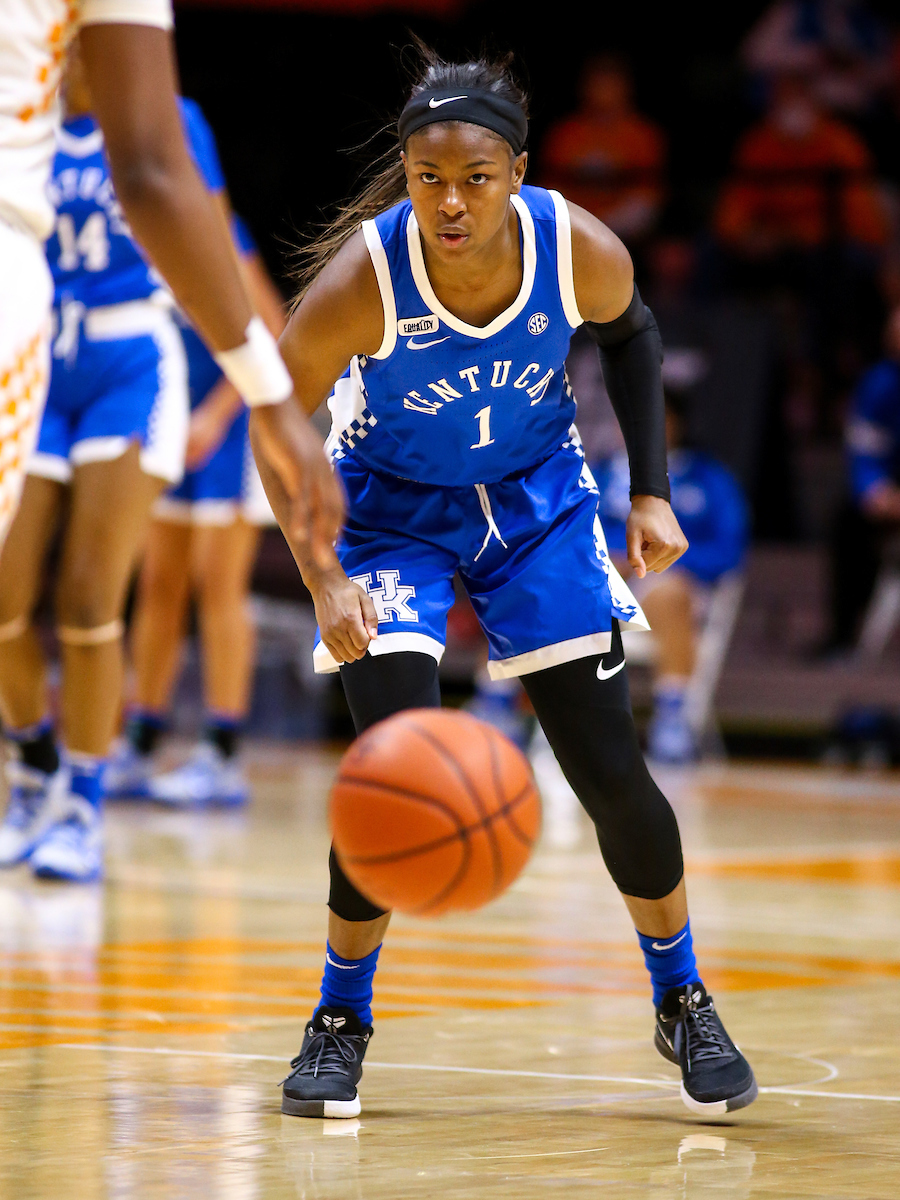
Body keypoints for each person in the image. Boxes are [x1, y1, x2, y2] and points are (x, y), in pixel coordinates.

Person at [263, 47, 758, 1120]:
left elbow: (631, 334)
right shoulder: (366, 277)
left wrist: (653, 493)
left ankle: (682, 996)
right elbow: (276, 419)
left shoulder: (570, 242)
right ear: (406, 175)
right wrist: (319, 576)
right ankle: (340, 1016)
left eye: (475, 178)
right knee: (390, 762)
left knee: (609, 770)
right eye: (429, 177)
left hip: (536, 508)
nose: (450, 201)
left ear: (517, 172)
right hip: (391, 515)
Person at [0, 56, 251, 877]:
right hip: (36, 352)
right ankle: (34, 765)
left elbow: (217, 252)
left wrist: (251, 393)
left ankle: (82, 800)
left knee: (89, 594)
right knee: (5, 594)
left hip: (130, 359)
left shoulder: (163, 116)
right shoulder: (20, 116)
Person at [0, 0, 340, 559]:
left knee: (201, 586)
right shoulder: (59, 144)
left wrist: (249, 405)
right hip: (87, 358)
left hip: (191, 393)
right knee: (155, 586)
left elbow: (270, 317)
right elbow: (151, 176)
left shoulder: (212, 212)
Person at [105, 219, 283, 808]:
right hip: (168, 421)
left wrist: (214, 414)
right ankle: (142, 738)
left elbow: (272, 327)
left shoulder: (219, 230)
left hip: (226, 426)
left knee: (218, 586)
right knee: (158, 584)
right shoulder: (127, 229)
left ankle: (222, 750)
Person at [594, 392, 750, 762]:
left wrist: (657, 558)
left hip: (673, 586)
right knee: (527, 585)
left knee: (668, 592)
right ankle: (497, 699)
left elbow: (730, 550)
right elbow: (568, 536)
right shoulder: (596, 475)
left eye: (654, 420)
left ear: (677, 423)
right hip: (602, 585)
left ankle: (672, 714)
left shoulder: (709, 479)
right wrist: (610, 560)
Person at [538, 54, 666, 243]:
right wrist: (582, 226)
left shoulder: (642, 134)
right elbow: (551, 192)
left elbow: (647, 197)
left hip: (627, 235)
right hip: (571, 231)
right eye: (598, 82)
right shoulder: (565, 133)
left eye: (611, 82)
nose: (604, 90)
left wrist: (606, 227)